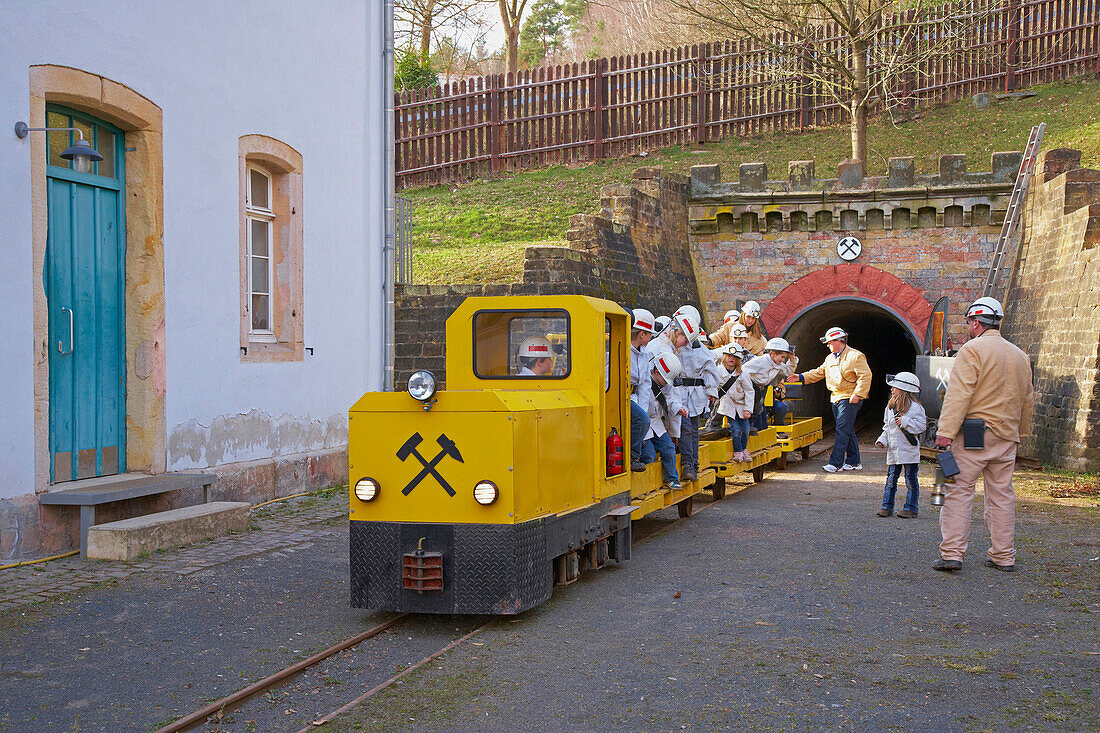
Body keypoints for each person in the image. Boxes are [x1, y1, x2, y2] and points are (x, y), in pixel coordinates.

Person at [932, 297, 1033, 573]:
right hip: (1006, 436)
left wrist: (945, 432)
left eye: (968, 322)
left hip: (973, 435)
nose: (968, 327)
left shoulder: (972, 350)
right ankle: (1003, 555)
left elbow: (959, 394)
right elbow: (1027, 399)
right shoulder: (1020, 355)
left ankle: (952, 553)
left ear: (976, 322)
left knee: (957, 490)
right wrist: (1020, 432)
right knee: (1001, 495)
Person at [789, 326, 872, 473]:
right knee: (847, 429)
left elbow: (865, 376)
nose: (827, 345)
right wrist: (801, 377)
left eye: (829, 342)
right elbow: (819, 372)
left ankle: (836, 463)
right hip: (836, 397)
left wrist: (858, 394)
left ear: (838, 341)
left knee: (841, 430)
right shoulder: (830, 358)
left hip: (849, 397)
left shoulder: (855, 356)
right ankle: (854, 462)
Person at [669, 306, 723, 481]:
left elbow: (710, 370)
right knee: (683, 429)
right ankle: (687, 463)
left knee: (691, 430)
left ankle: (691, 464)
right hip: (676, 391)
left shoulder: (699, 348)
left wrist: (711, 391)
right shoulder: (670, 344)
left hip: (693, 395)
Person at [875, 372, 927, 518]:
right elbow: (887, 427)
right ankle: (886, 507)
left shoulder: (916, 408)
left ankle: (911, 508)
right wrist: (882, 440)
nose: (892, 389)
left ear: (903, 389)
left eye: (895, 387)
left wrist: (905, 422)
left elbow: (922, 426)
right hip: (894, 450)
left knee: (910, 480)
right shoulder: (890, 407)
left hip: (908, 450)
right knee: (891, 480)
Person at [642, 350, 683, 490]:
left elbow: (670, 401)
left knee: (669, 447)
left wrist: (678, 408)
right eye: (665, 379)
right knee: (648, 454)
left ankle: (671, 479)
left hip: (656, 423)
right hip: (644, 425)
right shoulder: (644, 381)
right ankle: (645, 485)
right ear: (656, 371)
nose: (666, 383)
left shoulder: (665, 386)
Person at [743, 337, 798, 434]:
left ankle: (763, 432)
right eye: (782, 357)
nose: (783, 360)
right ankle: (753, 432)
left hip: (763, 388)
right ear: (773, 354)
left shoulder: (777, 364)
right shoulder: (761, 361)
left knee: (761, 410)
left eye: (784, 357)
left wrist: (792, 360)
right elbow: (744, 370)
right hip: (753, 387)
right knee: (756, 410)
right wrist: (748, 387)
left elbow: (788, 372)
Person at [629, 308, 659, 472]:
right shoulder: (622, 349)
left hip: (633, 396)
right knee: (642, 421)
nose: (650, 338)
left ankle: (635, 454)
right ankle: (632, 457)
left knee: (642, 419)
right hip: (619, 395)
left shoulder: (644, 354)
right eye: (649, 334)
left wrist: (642, 408)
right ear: (641, 334)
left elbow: (645, 384)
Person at [715, 344, 754, 462]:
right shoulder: (718, 372)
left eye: (734, 356)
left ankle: (744, 449)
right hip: (728, 405)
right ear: (724, 357)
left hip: (741, 405)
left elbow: (749, 391)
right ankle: (738, 451)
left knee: (745, 429)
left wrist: (748, 408)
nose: (731, 358)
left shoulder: (743, 374)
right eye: (728, 355)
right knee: (736, 429)